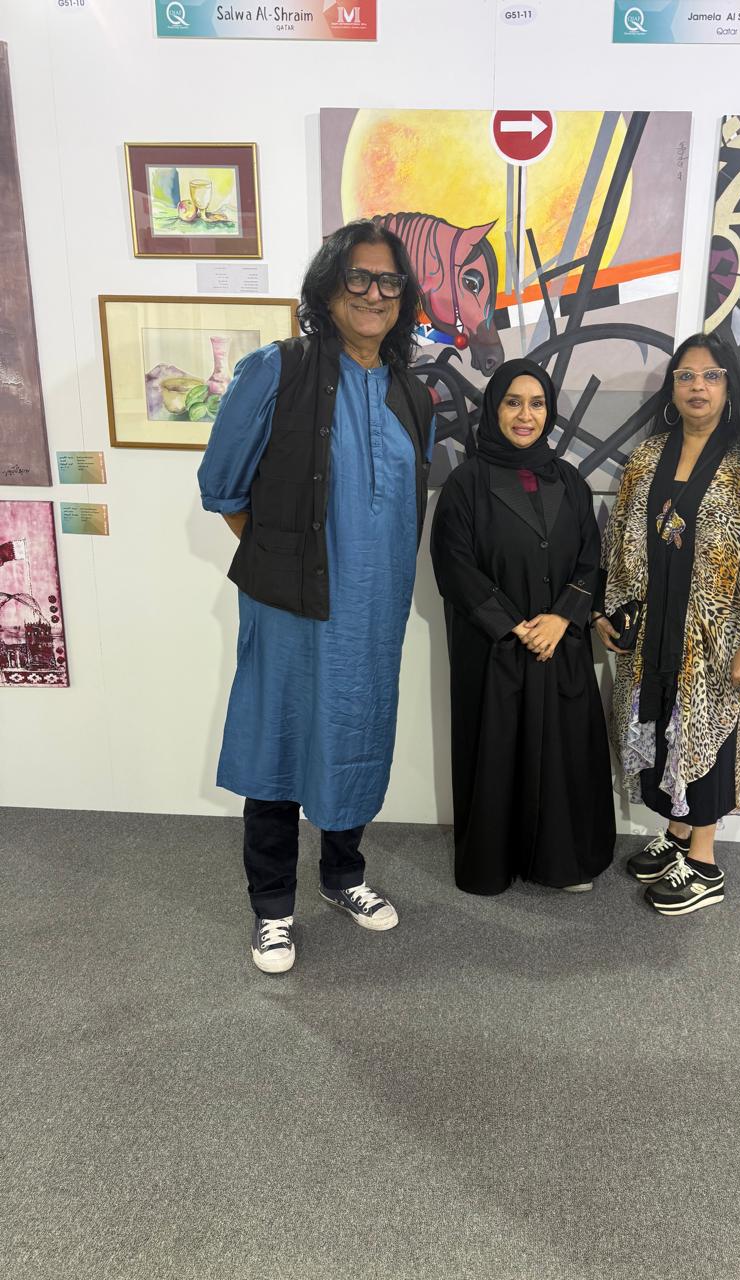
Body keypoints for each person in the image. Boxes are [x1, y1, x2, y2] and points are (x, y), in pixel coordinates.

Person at [198, 221, 434, 972]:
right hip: (290, 611)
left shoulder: (412, 393)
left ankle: (342, 876)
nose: (373, 293)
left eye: (389, 281)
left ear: (404, 297)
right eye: (358, 277)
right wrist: (286, 561)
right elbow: (221, 486)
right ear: (328, 288)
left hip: (373, 613)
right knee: (278, 745)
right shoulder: (279, 369)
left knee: (356, 737)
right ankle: (272, 908)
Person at [595, 332, 740, 916]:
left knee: (706, 734)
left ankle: (704, 865)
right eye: (685, 376)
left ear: (729, 386)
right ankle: (678, 836)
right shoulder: (648, 456)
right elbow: (619, 538)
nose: (697, 387)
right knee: (661, 729)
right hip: (655, 626)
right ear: (672, 387)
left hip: (717, 634)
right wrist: (607, 610)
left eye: (710, 375)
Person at [430, 359, 615, 895]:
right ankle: (496, 863)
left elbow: (590, 559)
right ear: (494, 408)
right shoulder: (466, 483)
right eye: (513, 402)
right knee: (498, 752)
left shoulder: (571, 481)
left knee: (562, 753)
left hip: (559, 643)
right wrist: (513, 625)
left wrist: (561, 616)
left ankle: (562, 862)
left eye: (536, 404)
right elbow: (453, 565)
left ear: (549, 412)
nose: (525, 415)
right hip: (495, 650)